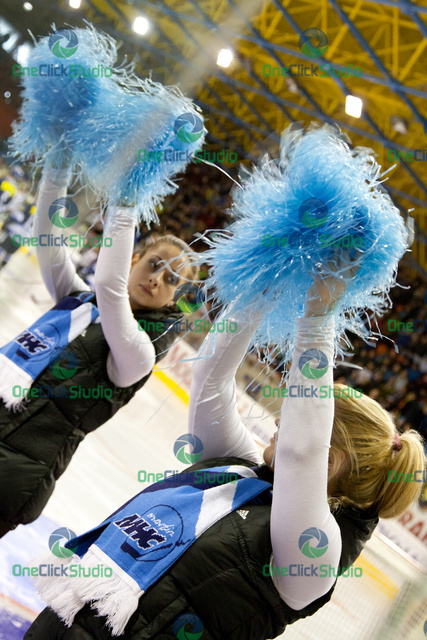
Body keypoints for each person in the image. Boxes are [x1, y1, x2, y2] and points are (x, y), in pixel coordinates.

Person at [24, 269, 425, 639]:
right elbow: (211, 378)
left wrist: (319, 317)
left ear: (329, 460)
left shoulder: (316, 556)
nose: (276, 424)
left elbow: (302, 451)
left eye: (288, 420)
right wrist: (262, 286)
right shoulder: (240, 472)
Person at [0, 159, 198, 538]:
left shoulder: (139, 352)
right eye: (154, 264)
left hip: (10, 483)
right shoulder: (77, 302)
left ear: (175, 299)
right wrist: (57, 166)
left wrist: (126, 200)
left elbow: (109, 284)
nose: (157, 279)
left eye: (171, 279)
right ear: (136, 260)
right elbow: (47, 237)